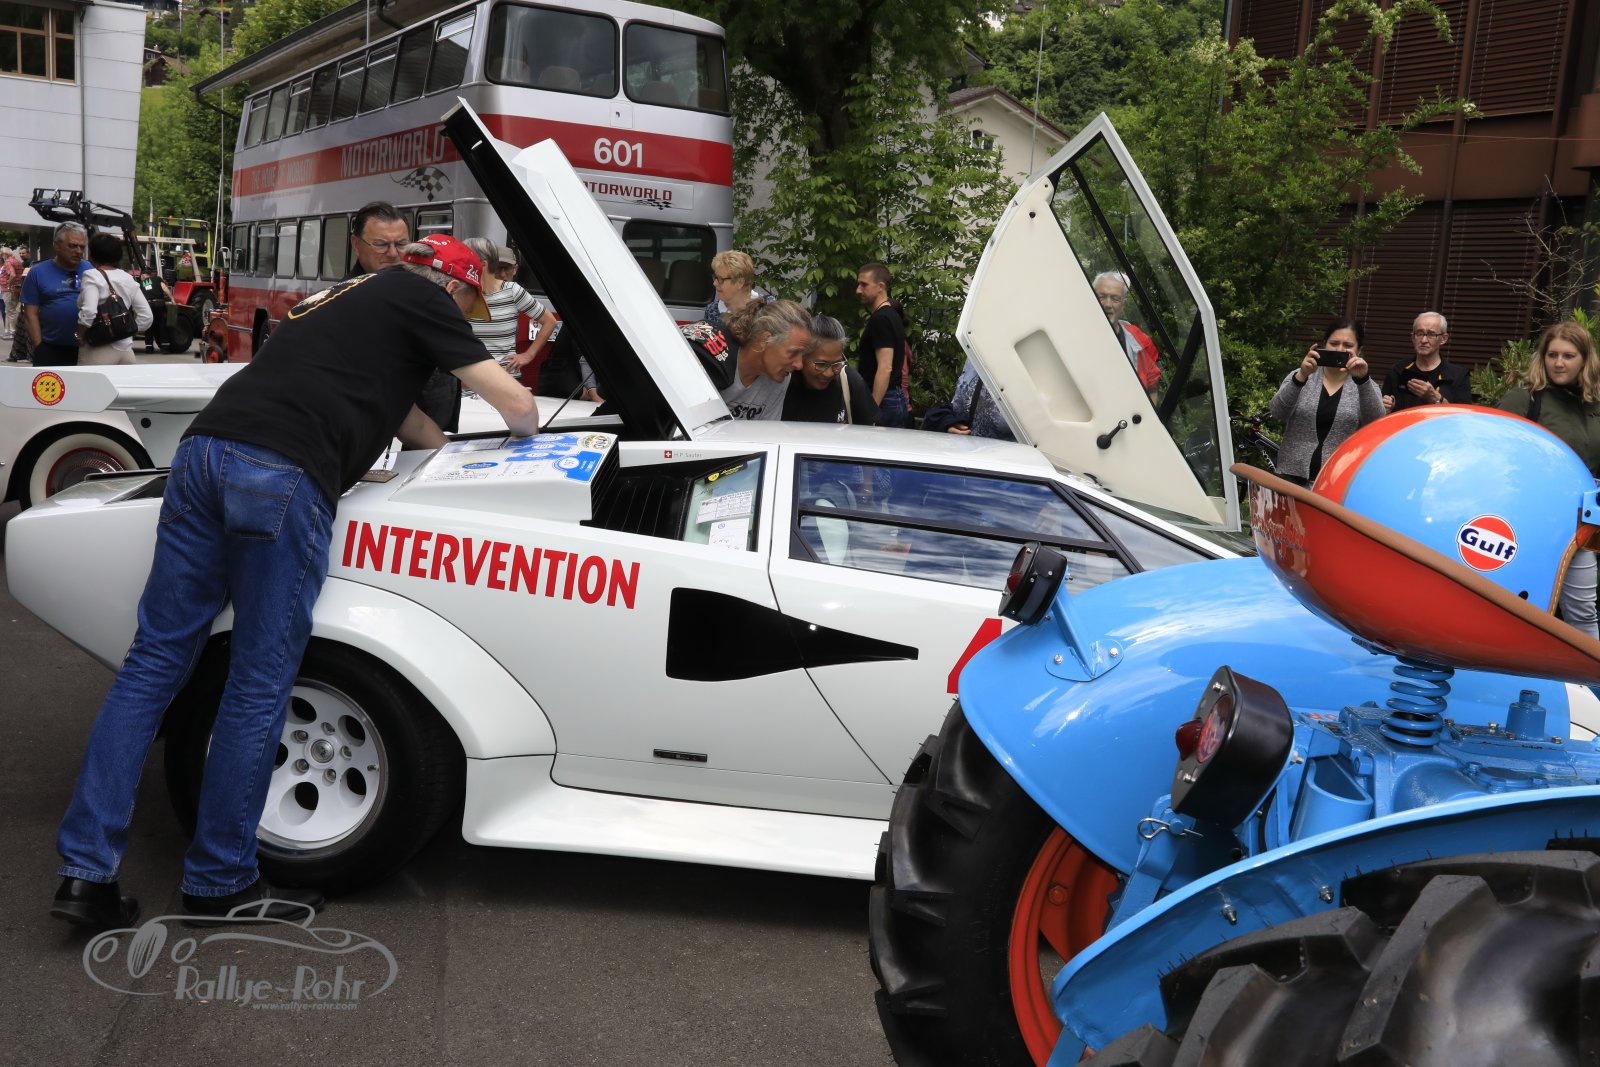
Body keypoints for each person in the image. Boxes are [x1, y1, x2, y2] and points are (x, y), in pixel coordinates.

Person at [50, 235, 540, 932]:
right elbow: (516, 405)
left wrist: (451, 456)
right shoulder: (423, 294)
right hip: (278, 472)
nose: (466, 314)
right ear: (456, 285)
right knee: (258, 680)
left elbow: (408, 420)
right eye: (470, 302)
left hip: (204, 454)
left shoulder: (344, 297)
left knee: (152, 665)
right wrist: (526, 432)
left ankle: (85, 876)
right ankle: (218, 881)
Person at [1497, 321, 1600, 638]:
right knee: (1520, 608)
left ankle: (1590, 671)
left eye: (1568, 356)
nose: (1558, 363)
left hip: (1580, 525)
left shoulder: (1595, 404)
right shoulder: (1525, 399)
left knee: (1583, 612)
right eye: (1552, 355)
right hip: (1526, 521)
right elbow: (1493, 453)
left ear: (1585, 360)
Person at [346, 201, 460, 431]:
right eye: (381, 244)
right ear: (356, 244)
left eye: (401, 244)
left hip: (428, 415)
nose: (393, 254)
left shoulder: (425, 289)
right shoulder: (342, 300)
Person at [1268, 317, 1383, 486]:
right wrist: (1301, 376)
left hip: (1336, 480)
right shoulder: (1302, 375)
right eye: (1334, 343)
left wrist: (1362, 381)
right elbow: (1277, 412)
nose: (1339, 349)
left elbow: (1376, 423)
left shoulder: (1366, 385)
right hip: (1290, 477)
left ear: (1359, 350)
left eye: (1348, 345)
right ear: (1324, 344)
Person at [462, 236, 556, 382]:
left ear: (483, 265)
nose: (502, 274)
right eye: (499, 268)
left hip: (506, 379)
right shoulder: (463, 292)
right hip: (469, 381)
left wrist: (528, 355)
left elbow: (550, 321)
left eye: (467, 262)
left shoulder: (512, 291)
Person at [720, 299, 812, 420]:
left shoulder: (780, 378)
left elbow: (768, 430)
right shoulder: (718, 362)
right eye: (793, 353)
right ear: (765, 340)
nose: (799, 365)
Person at [782, 314, 877, 424]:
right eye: (821, 364)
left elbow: (871, 431)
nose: (829, 373)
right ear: (802, 357)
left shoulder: (848, 382)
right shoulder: (782, 385)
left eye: (836, 364)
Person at [76, 233, 154, 366]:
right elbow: (147, 316)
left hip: (98, 350)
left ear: (92, 256)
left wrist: (79, 335)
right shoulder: (128, 278)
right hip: (127, 353)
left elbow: (89, 311)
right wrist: (124, 331)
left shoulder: (92, 276)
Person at [21, 222, 90, 367]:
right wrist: (39, 346)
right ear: (56, 245)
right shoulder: (37, 272)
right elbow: (30, 314)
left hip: (85, 349)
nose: (78, 251)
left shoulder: (90, 270)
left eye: (82, 247)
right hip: (49, 348)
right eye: (73, 246)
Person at [855, 262, 910, 427]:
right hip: (893, 398)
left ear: (880, 287)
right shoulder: (892, 315)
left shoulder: (881, 319)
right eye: (858, 284)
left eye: (864, 285)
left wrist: (871, 412)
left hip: (885, 400)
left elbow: (885, 368)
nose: (858, 290)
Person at [1382, 311, 1473, 412]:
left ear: (1443, 339)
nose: (1424, 340)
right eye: (1420, 333)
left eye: (1431, 334)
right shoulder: (1398, 370)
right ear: (1413, 337)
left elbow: (1462, 417)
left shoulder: (1458, 376)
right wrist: (1387, 407)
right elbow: (1382, 411)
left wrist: (1436, 399)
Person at [1092, 271, 1160, 396]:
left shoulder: (1140, 341)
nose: (1107, 304)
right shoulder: (1073, 335)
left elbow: (1152, 386)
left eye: (1115, 298)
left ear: (1123, 304)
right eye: (1101, 297)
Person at [923, 359, 1015, 440]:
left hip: (1006, 453)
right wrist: (949, 422)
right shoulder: (975, 355)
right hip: (962, 451)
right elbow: (959, 404)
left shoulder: (1019, 360)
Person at [706, 250, 763, 332]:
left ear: (740, 282)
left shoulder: (767, 307)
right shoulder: (712, 310)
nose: (715, 283)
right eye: (715, 277)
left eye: (721, 279)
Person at [4, 245, 28, 347]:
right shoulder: (18, 261)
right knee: (15, 310)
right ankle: (13, 331)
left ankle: (13, 332)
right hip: (19, 288)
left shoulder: (9, 262)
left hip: (13, 289)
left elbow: (13, 275)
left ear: (5, 254)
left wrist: (9, 285)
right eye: (20, 253)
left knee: (11, 311)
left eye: (23, 253)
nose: (21, 254)